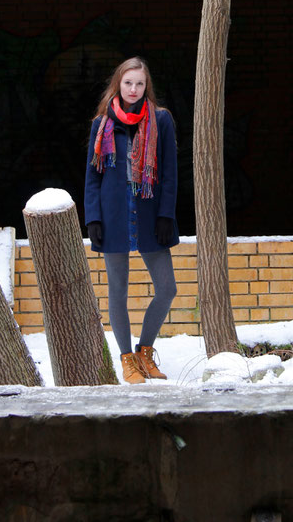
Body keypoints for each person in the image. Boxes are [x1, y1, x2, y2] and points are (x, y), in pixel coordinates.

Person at [85, 57, 179, 384]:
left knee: (167, 288)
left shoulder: (160, 120)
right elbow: (92, 177)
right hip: (113, 216)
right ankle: (127, 360)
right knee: (118, 291)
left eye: (139, 84)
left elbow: (169, 174)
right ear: (119, 85)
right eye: (128, 83)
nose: (134, 89)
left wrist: (166, 214)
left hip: (150, 214)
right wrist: (93, 218)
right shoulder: (102, 125)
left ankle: (145, 351)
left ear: (146, 86)